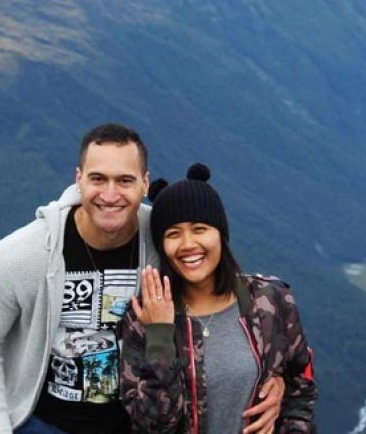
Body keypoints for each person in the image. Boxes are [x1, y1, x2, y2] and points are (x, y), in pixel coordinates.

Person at [0, 123, 286, 434]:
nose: (110, 194)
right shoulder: (24, 254)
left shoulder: (162, 237)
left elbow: (216, 293)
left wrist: (274, 376)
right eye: (98, 179)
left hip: (138, 423)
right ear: (79, 180)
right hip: (43, 424)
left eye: (125, 181)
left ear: (145, 183)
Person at [120, 163, 317, 434]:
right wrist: (160, 336)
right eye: (173, 234)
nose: (188, 244)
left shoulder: (270, 301)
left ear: (220, 235)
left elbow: (301, 389)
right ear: (162, 246)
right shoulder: (145, 316)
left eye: (200, 229)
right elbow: (151, 425)